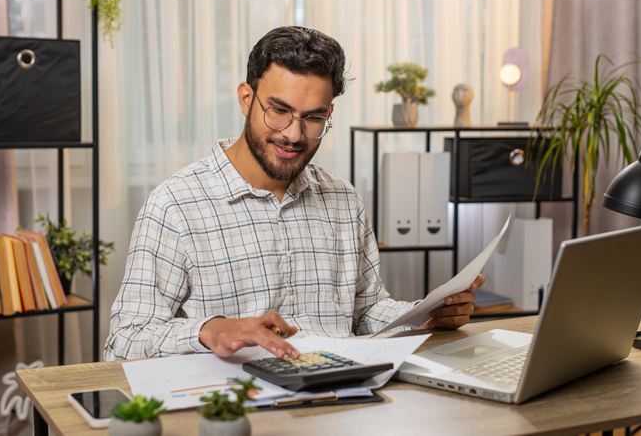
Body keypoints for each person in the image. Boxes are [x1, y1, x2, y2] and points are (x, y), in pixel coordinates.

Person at [104, 26, 485, 362]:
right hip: (241, 413)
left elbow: (366, 311)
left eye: (313, 118)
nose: (293, 134)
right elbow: (123, 342)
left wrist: (424, 314)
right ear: (245, 98)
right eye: (279, 110)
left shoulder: (343, 199)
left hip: (344, 402)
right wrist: (210, 330)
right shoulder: (175, 205)